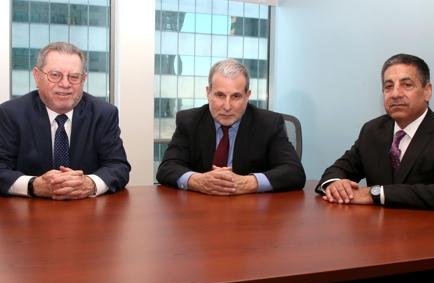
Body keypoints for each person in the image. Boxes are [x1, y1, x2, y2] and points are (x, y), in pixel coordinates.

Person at [311, 54, 434, 283]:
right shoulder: (373, 130)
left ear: (427, 91)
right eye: (388, 86)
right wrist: (334, 183)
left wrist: (374, 193)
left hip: (431, 260)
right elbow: (338, 168)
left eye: (406, 85)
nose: (395, 93)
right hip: (379, 251)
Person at [0, 42, 130, 200]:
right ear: (37, 75)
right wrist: (33, 185)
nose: (65, 84)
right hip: (28, 213)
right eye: (55, 75)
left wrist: (89, 183)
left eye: (74, 77)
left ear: (83, 79)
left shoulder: (103, 114)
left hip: (87, 214)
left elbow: (118, 166)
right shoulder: (11, 114)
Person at [156, 58, 306, 195]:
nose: (227, 106)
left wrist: (248, 183)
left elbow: (294, 172)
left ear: (247, 96)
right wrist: (198, 181)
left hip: (249, 213)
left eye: (236, 96)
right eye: (220, 95)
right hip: (200, 210)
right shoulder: (189, 121)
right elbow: (167, 168)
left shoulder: (268, 123)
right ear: (208, 93)